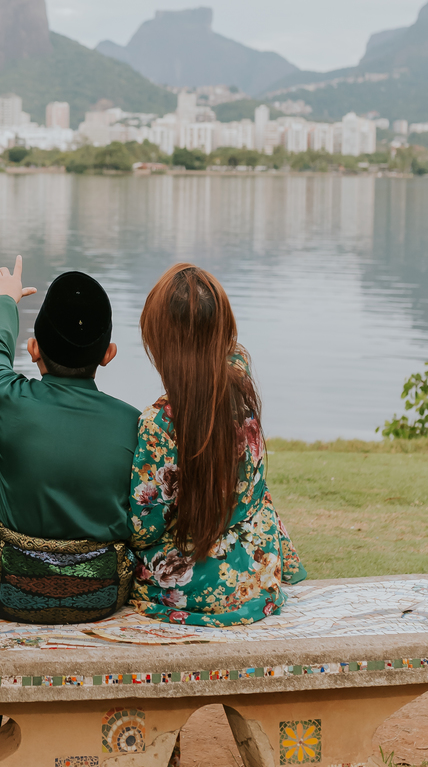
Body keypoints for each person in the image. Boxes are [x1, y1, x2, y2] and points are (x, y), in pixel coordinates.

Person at [129, 261, 305, 628]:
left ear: (160, 341)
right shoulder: (241, 378)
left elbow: (144, 527)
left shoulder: (159, 423)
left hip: (201, 579)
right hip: (258, 560)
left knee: (124, 559)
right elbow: (223, 347)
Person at [0, 257, 140, 624]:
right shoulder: (136, 425)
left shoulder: (6, 398)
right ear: (108, 355)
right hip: (102, 596)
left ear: (33, 349)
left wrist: (4, 301)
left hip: (5, 592)